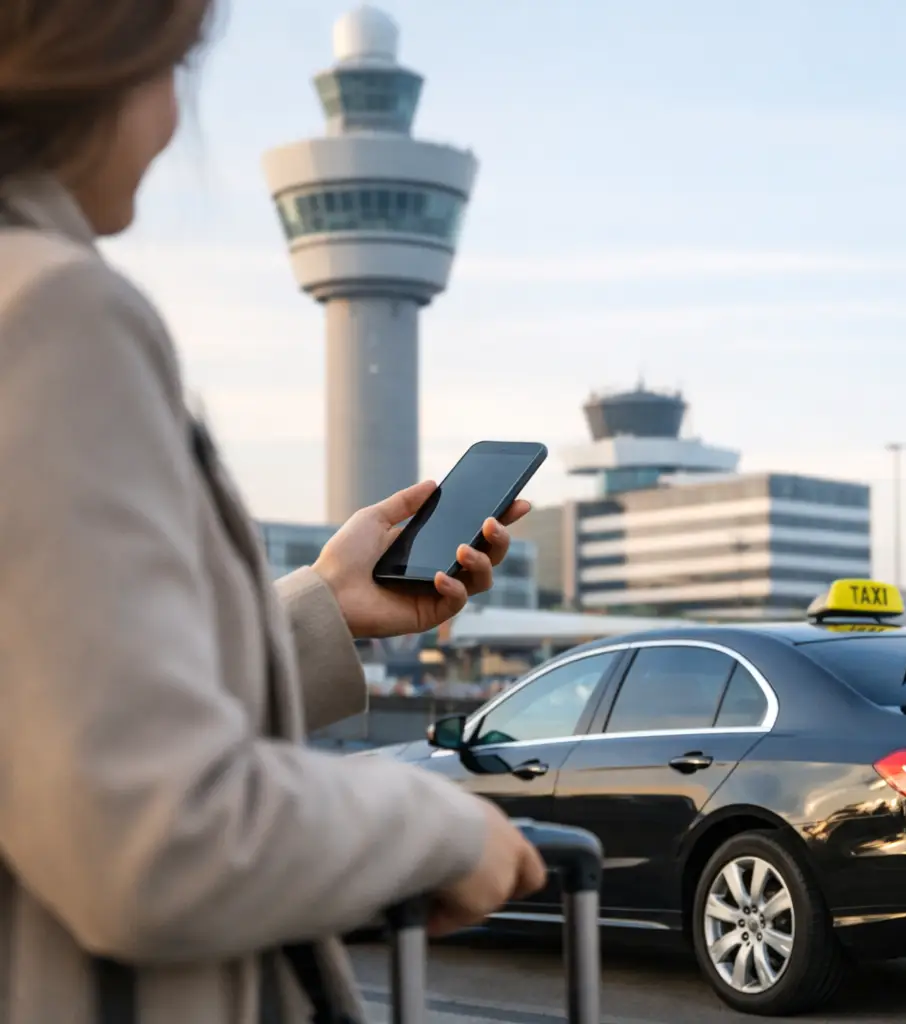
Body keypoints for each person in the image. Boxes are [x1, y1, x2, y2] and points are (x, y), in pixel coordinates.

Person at [0, 2, 546, 1022]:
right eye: (175, 71)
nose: (174, 123)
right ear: (102, 66)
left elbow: (47, 706)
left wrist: (323, 608)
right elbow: (149, 832)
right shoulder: (54, 311)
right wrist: (439, 822)